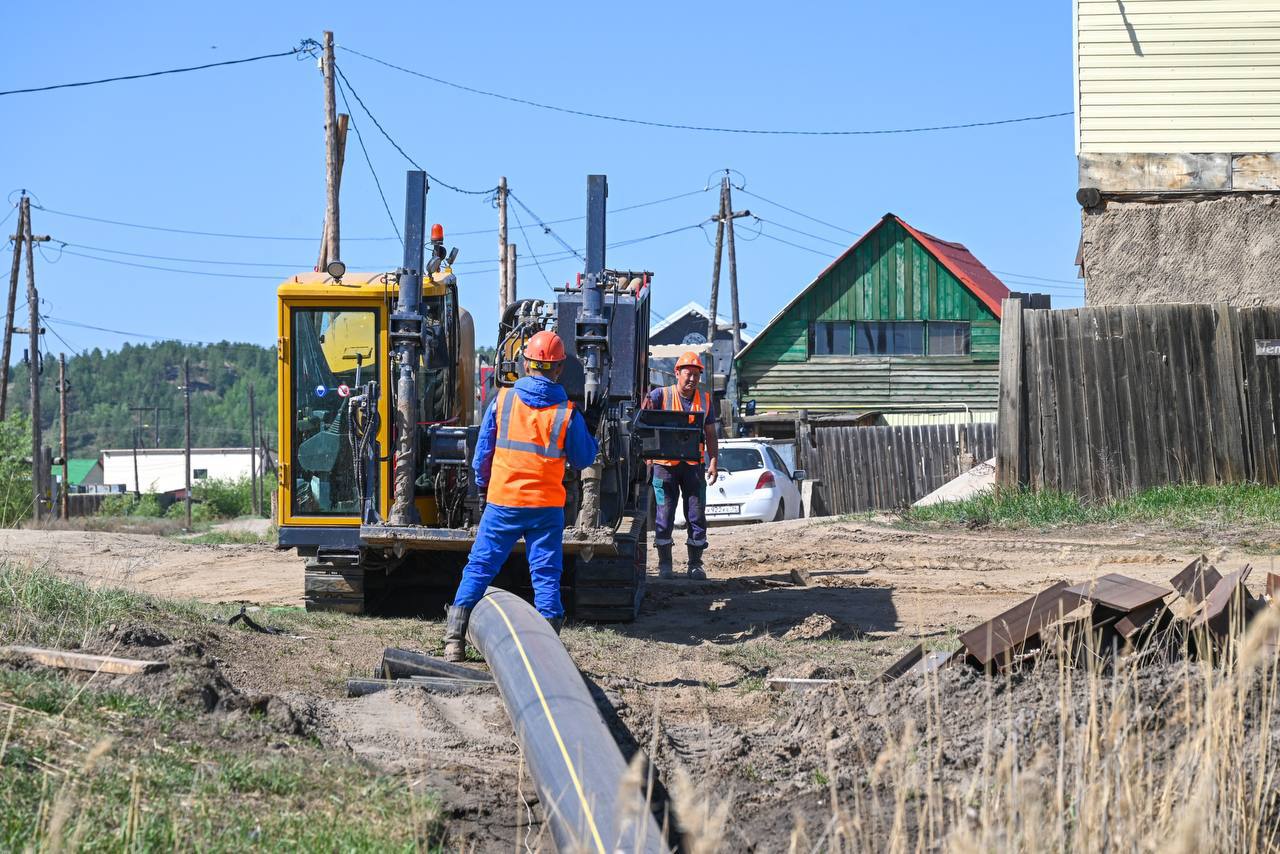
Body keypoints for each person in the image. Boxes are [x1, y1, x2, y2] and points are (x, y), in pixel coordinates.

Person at [443, 331, 598, 661]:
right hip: (545, 508)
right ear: (559, 369)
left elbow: (482, 453)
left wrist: (485, 486)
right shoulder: (567, 414)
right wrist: (590, 429)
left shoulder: (503, 400)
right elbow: (585, 459)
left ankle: (454, 640)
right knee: (545, 575)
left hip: (504, 502)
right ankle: (546, 654)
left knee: (480, 567)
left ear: (526, 364)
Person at [644, 351, 719, 580]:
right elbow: (644, 424)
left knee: (696, 515)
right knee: (664, 516)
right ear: (677, 373)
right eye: (688, 374)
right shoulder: (659, 396)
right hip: (664, 467)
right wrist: (647, 457)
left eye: (697, 375)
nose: (693, 379)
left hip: (693, 467)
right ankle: (665, 564)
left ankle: (695, 564)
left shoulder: (705, 401)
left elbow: (710, 434)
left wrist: (713, 461)